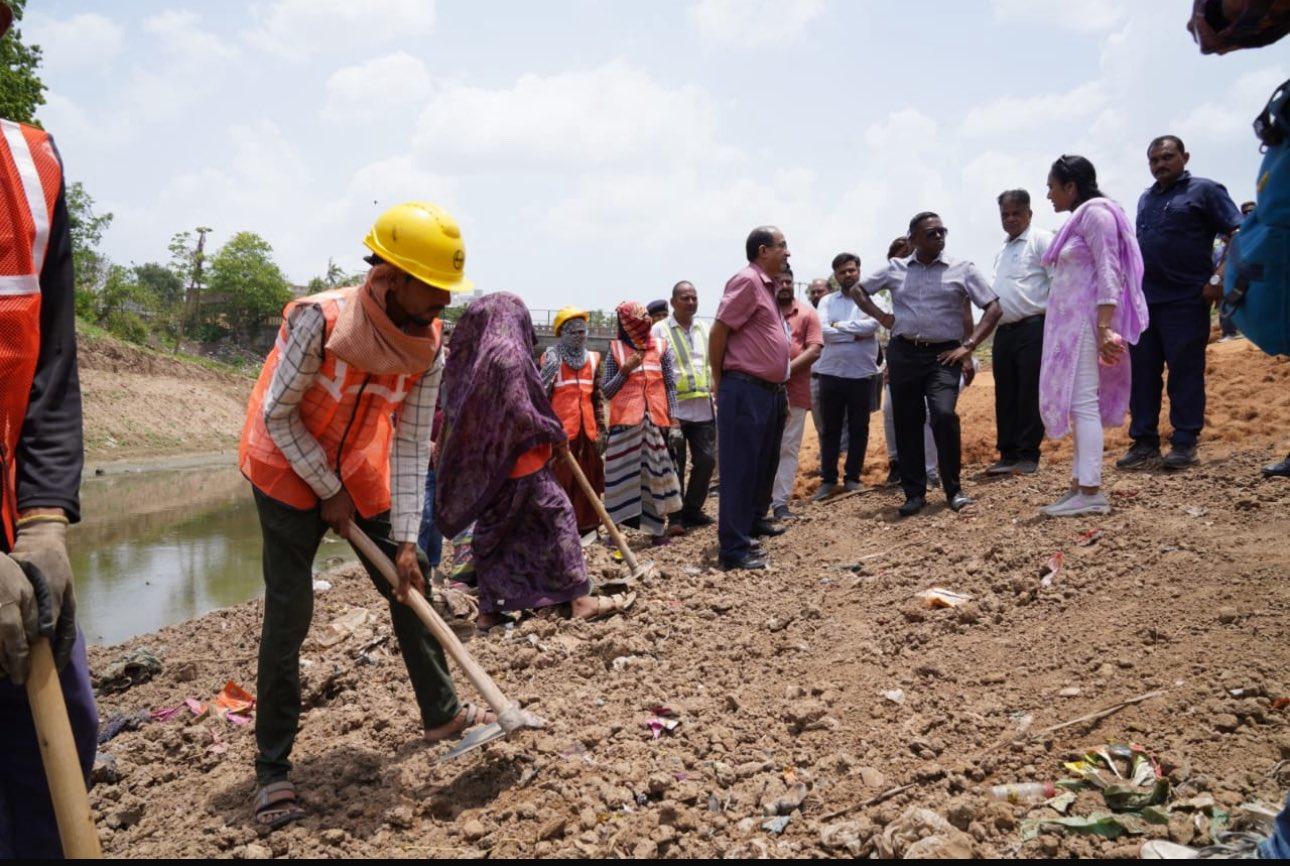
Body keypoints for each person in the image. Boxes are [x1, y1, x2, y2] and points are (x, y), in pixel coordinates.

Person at [239, 202, 488, 828]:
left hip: (359, 465)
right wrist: (325, 487)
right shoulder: (320, 320)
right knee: (290, 611)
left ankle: (444, 714)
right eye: (434, 289)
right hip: (283, 461)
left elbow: (408, 440)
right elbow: (277, 413)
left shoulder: (429, 345)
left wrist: (406, 537)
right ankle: (272, 770)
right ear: (395, 274)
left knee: (412, 578)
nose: (443, 304)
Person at [0, 5, 98, 849]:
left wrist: (42, 518)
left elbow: (49, 366)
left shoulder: (29, 169)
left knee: (58, 750)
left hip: (13, 545)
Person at [435, 293, 632, 629]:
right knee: (558, 516)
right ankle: (579, 599)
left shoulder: (479, 357)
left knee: (496, 531)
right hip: (521, 458)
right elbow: (521, 406)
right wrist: (552, 431)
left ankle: (490, 609)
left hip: (492, 465)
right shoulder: (509, 354)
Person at [852, 212, 1002, 517]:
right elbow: (858, 290)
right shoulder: (895, 269)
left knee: (944, 415)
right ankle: (914, 494)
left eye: (941, 231)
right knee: (907, 422)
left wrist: (969, 346)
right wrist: (882, 318)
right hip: (904, 353)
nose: (939, 237)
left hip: (944, 356)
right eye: (930, 233)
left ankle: (954, 490)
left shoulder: (962, 269)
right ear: (913, 240)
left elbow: (993, 307)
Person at [1118, 135, 1243, 471]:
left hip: (1186, 300)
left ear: (1185, 157)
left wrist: (1218, 277)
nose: (1160, 164)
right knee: (1143, 375)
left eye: (1167, 157)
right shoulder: (1146, 198)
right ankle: (1144, 442)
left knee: (1184, 374)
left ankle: (1185, 442)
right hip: (1146, 303)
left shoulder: (1205, 190)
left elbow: (1238, 232)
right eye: (1154, 160)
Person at [1038, 155, 1149, 517]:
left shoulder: (1098, 215)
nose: (1048, 194)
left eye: (1052, 187)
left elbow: (1109, 270)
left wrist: (1104, 327)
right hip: (1072, 329)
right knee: (1077, 404)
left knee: (1084, 404)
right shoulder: (1078, 219)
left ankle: (1091, 491)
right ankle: (1078, 485)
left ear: (1071, 187)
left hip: (1088, 325)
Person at [711, 226, 792, 569]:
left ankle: (746, 531)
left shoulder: (767, 286)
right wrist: (719, 380)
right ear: (763, 250)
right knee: (740, 470)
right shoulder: (746, 281)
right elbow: (719, 331)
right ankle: (733, 550)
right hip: (744, 389)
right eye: (782, 246)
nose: (788, 253)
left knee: (759, 468)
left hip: (766, 392)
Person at [602, 301, 683, 545]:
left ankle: (657, 532)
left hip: (656, 423)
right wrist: (624, 371)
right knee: (619, 480)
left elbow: (670, 386)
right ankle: (614, 534)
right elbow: (606, 391)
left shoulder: (661, 347)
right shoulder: (615, 350)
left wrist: (675, 420)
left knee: (656, 478)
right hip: (625, 425)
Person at [988, 189, 1055, 476]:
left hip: (1034, 328)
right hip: (1004, 331)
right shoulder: (1002, 250)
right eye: (1005, 214)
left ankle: (1028, 454)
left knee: (1029, 391)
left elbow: (1058, 283)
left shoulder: (1041, 240)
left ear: (1029, 213)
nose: (1011, 218)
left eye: (1017, 213)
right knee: (1005, 393)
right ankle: (1008, 453)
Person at [813, 253, 880, 500]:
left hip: (861, 374)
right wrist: (853, 333)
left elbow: (873, 325)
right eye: (842, 272)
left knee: (859, 428)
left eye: (851, 270)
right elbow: (822, 331)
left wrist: (839, 326)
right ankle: (828, 480)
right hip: (831, 373)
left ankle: (853, 478)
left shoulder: (870, 298)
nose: (848, 275)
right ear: (836, 275)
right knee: (830, 429)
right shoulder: (828, 301)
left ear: (859, 270)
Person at [876, 235, 940, 488]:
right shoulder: (890, 291)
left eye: (906, 254)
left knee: (926, 413)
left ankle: (931, 472)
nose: (901, 260)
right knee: (891, 411)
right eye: (896, 257)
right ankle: (898, 466)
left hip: (931, 358)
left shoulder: (931, 281)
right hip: (899, 360)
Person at [653, 281, 717, 528]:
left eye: (694, 298)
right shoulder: (659, 330)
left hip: (703, 408)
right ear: (673, 302)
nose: (691, 302)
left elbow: (714, 361)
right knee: (675, 464)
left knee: (707, 460)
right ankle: (676, 517)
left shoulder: (705, 328)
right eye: (685, 298)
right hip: (674, 409)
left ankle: (693, 509)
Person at [540, 307, 606, 537]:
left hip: (587, 431)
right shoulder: (552, 358)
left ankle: (587, 525)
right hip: (561, 432)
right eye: (574, 332)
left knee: (590, 477)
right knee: (560, 479)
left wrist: (601, 426)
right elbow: (542, 396)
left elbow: (597, 396)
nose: (580, 335)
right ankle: (559, 526)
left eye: (582, 331)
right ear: (562, 334)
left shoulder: (593, 358)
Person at [770, 267, 823, 520]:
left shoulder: (807, 313)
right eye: (778, 281)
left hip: (795, 391)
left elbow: (814, 350)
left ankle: (780, 503)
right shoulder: (762, 312)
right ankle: (758, 502)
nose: (784, 285)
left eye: (788, 281)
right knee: (763, 446)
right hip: (762, 391)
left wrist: (785, 371)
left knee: (788, 448)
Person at [1216, 200, 1258, 341]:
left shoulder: (1257, 224)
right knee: (1229, 298)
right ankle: (1231, 332)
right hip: (1240, 268)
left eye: (1251, 211)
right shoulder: (1239, 227)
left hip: (1249, 268)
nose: (1249, 214)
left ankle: (1232, 332)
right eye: (1247, 212)